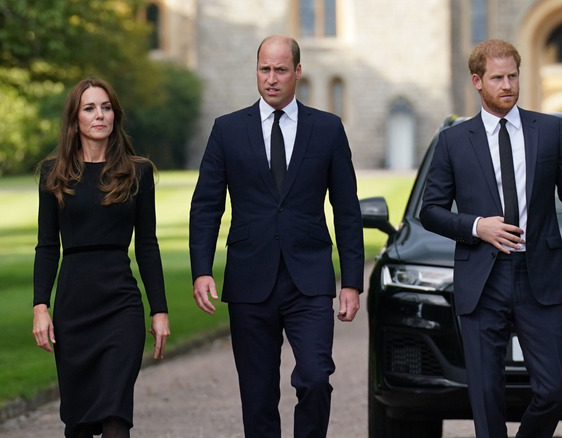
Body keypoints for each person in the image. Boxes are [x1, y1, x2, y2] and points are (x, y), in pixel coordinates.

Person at [420, 39, 562, 438]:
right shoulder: (454, 140)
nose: (507, 85)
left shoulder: (550, 130)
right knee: (486, 396)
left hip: (537, 275)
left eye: (512, 76)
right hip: (481, 279)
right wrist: (477, 227)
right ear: (477, 81)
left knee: (557, 385)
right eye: (497, 78)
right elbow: (431, 210)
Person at [188, 35, 364, 438]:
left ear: (298, 73)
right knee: (258, 395)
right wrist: (201, 270)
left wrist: (352, 281)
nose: (271, 79)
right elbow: (206, 207)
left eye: (280, 70)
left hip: (310, 279)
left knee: (317, 379)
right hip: (250, 279)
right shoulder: (227, 130)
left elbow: (347, 209)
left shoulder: (328, 129)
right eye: (264, 69)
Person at [32, 77, 170, 438]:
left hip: (120, 306)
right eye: (90, 108)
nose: (100, 116)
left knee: (115, 415)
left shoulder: (137, 172)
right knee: (78, 425)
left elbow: (147, 245)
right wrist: (40, 306)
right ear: (74, 118)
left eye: (106, 107)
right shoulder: (54, 174)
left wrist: (159, 310)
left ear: (115, 115)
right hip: (74, 308)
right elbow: (47, 246)